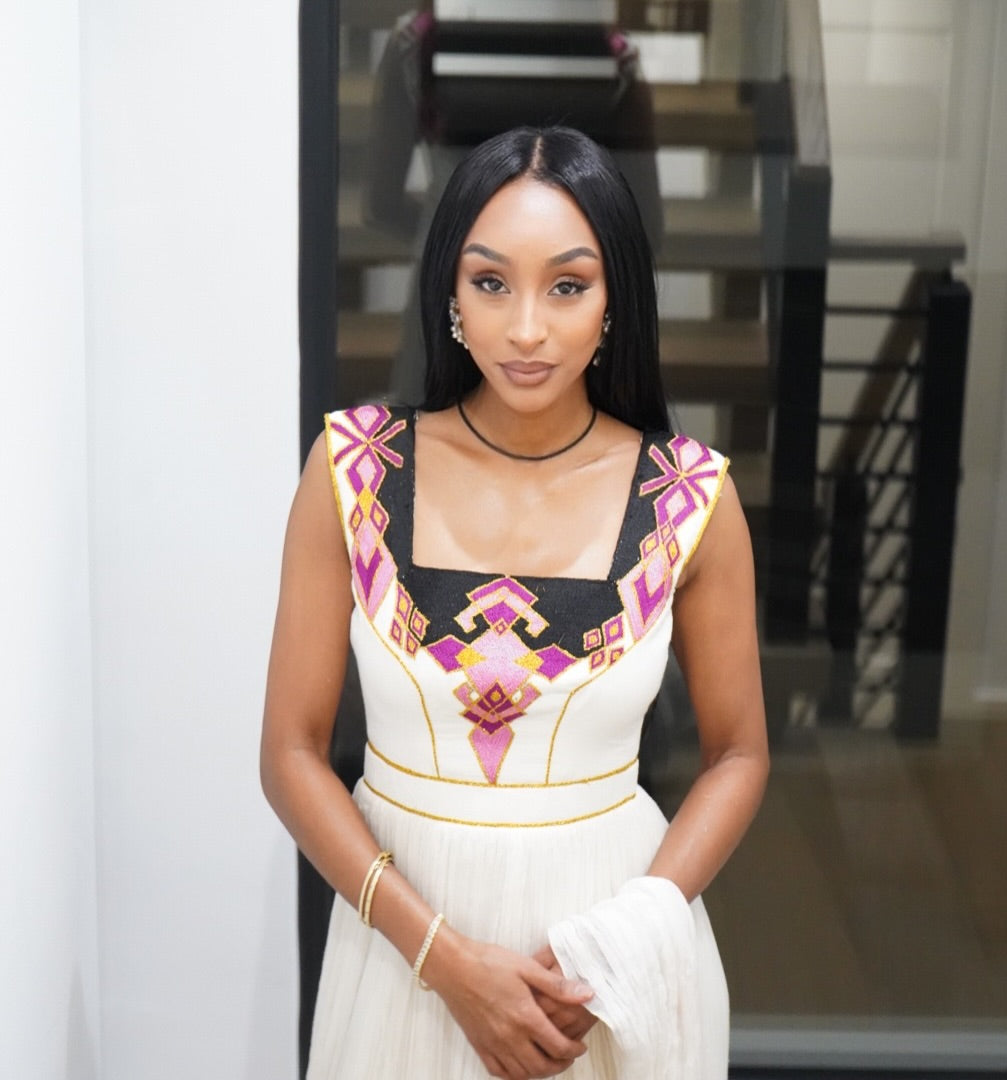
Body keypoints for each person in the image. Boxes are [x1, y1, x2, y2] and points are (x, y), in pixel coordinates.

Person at [261, 126, 769, 1080]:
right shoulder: (352, 472)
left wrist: (620, 944)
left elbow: (739, 755)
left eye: (567, 286)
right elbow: (289, 755)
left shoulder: (691, 497)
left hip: (603, 972)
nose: (526, 328)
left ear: (615, 298)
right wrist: (444, 963)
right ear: (449, 294)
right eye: (491, 282)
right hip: (398, 952)